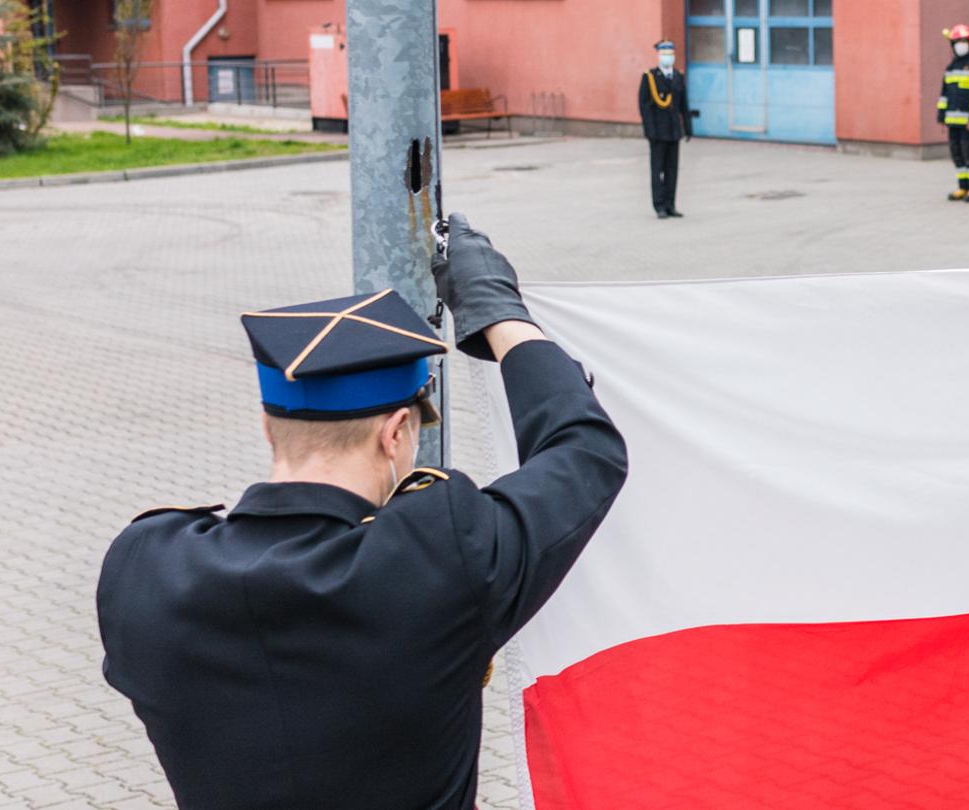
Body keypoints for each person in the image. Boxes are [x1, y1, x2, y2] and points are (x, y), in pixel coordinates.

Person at [96, 214, 630, 808]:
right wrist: (496, 310)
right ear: (396, 433)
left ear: (268, 427)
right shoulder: (436, 559)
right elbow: (586, 453)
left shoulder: (143, 567)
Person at [637, 39, 692, 219]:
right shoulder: (650, 77)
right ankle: (659, 205)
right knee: (657, 170)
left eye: (670, 54)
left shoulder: (678, 76)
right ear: (659, 56)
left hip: (673, 131)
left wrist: (688, 127)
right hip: (657, 133)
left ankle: (671, 204)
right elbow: (644, 106)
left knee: (672, 170)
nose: (668, 57)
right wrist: (649, 130)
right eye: (665, 54)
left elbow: (683, 104)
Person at [937, 25, 969, 202]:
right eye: (957, 42)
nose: (960, 45)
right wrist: (941, 115)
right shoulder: (951, 66)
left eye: (963, 41)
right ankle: (962, 186)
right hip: (953, 120)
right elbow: (944, 93)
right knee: (957, 153)